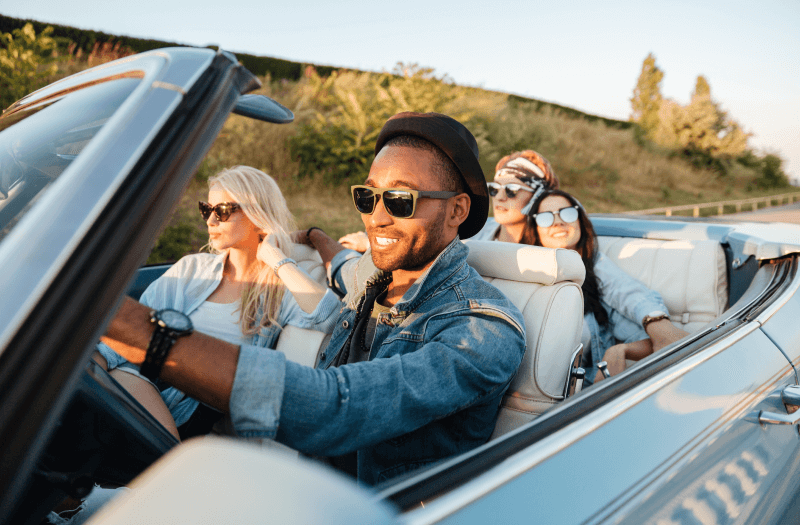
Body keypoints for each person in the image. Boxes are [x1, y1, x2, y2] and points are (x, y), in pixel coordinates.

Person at [100, 112, 526, 485]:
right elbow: (343, 264)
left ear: (456, 211)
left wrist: (131, 327)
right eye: (368, 195)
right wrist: (315, 238)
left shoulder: (481, 329)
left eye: (400, 199)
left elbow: (335, 408)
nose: (376, 216)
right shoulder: (373, 274)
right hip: (307, 486)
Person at [95, 166, 341, 439]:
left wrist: (276, 258)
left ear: (257, 214)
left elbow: (329, 316)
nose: (210, 221)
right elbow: (133, 331)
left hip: (191, 414)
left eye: (222, 211)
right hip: (139, 386)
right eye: (206, 209)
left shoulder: (277, 290)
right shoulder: (191, 269)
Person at [525, 189, 688, 383]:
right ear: (535, 229)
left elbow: (625, 291)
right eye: (545, 217)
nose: (558, 222)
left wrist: (622, 349)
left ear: (580, 221)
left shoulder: (595, 283)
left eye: (567, 212)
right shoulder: (519, 273)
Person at [338, 149, 558, 252]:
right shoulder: (477, 229)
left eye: (511, 190)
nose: (500, 196)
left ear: (539, 195)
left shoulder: (555, 242)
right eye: (494, 189)